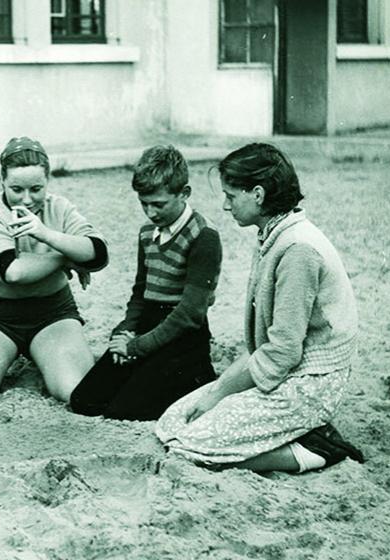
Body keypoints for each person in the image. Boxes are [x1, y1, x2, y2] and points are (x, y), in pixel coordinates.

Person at [155, 143, 364, 473]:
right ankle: (287, 435)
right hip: (285, 369)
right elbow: (271, 348)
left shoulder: (298, 249)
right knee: (173, 423)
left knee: (192, 447)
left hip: (312, 381)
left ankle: (318, 449)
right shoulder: (274, 234)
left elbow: (283, 352)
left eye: (231, 195)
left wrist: (220, 392)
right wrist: (219, 394)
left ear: (258, 194)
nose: (225, 206)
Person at [0, 136, 108, 404]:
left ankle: (46, 356)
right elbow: (12, 272)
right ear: (2, 180)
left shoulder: (59, 207)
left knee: (75, 391)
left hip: (52, 313)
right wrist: (65, 259)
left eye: (36, 188)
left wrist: (47, 235)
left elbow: (98, 254)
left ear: (48, 181)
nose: (27, 198)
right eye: (16, 189)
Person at [70, 145, 222, 420]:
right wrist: (125, 332)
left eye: (159, 204)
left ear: (184, 193)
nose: (151, 212)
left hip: (182, 336)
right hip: (147, 327)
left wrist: (136, 348)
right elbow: (141, 292)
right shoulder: (147, 233)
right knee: (84, 400)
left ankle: (195, 378)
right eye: (144, 203)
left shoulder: (204, 236)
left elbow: (190, 314)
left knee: (124, 411)